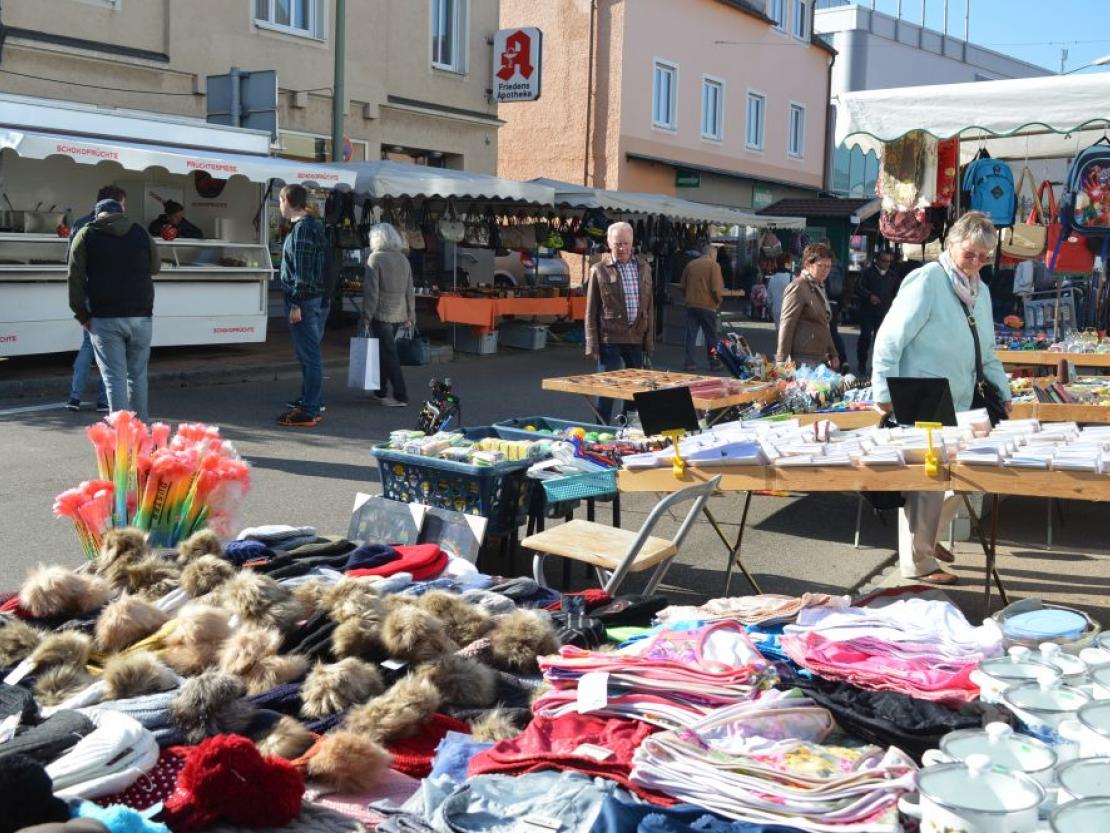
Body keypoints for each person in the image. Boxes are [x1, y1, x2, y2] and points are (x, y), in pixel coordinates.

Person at [871, 211, 1012, 586]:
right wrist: (884, 394)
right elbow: (889, 340)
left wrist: (1005, 391)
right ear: (950, 244)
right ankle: (918, 562)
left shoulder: (979, 290)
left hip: (963, 397)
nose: (977, 263)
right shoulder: (927, 280)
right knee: (927, 483)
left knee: (966, 476)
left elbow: (989, 350)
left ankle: (926, 539)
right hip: (921, 392)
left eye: (985, 256)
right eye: (971, 254)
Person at [67, 198, 160, 421]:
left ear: (97, 214)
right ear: (121, 212)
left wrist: (81, 314)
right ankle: (142, 436)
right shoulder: (140, 232)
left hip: (104, 316)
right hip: (140, 315)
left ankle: (123, 440)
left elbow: (75, 279)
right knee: (137, 376)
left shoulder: (86, 234)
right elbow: (155, 267)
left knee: (114, 378)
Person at [584, 221, 654, 424]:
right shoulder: (598, 270)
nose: (622, 248)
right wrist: (592, 343)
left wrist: (649, 342)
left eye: (625, 243)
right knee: (608, 388)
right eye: (617, 244)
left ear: (632, 243)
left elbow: (649, 307)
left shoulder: (644, 268)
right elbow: (591, 310)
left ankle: (626, 429)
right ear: (608, 243)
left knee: (633, 390)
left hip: (636, 337)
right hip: (610, 338)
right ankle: (602, 430)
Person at [65, 185, 124, 412]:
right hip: (108, 294)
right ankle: (102, 399)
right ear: (114, 204)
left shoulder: (80, 223)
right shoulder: (115, 226)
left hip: (86, 292)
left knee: (88, 344)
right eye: (122, 204)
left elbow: (69, 261)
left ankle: (75, 397)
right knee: (107, 346)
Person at [276, 184, 328, 428]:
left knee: (309, 356)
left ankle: (310, 408)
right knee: (308, 354)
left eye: (279, 201)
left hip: (304, 300)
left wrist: (296, 302)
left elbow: (303, 271)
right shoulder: (310, 226)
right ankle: (309, 400)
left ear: (287, 200)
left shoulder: (303, 229)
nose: (279, 206)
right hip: (310, 298)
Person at [362, 222, 415, 407]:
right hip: (399, 311)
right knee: (386, 351)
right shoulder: (403, 259)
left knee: (388, 353)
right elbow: (410, 290)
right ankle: (380, 390)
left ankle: (401, 395)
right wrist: (411, 315)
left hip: (381, 312)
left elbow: (371, 293)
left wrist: (365, 318)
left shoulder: (375, 259)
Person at [775, 242, 839, 369]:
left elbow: (824, 323)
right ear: (807, 264)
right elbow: (787, 324)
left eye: (828, 266)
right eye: (821, 266)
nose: (825, 270)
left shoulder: (818, 285)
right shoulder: (798, 286)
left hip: (818, 357)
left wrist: (833, 352)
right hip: (802, 359)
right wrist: (782, 360)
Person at [680, 243, 725, 371]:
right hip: (708, 306)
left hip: (691, 305)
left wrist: (688, 297)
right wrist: (718, 302)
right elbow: (716, 289)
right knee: (711, 337)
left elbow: (682, 285)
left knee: (690, 336)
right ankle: (714, 363)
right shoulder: (714, 266)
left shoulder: (691, 265)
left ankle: (689, 363)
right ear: (711, 254)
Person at [854, 251, 898, 375]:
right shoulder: (867, 273)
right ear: (877, 260)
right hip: (867, 311)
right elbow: (858, 287)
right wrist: (869, 296)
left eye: (889, 261)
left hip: (884, 313)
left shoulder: (892, 276)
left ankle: (876, 366)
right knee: (865, 337)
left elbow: (897, 293)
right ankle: (861, 363)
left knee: (881, 341)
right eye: (884, 261)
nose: (887, 264)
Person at [822, 243, 850, 372]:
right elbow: (845, 284)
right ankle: (843, 360)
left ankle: (829, 361)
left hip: (824, 301)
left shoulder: (822, 264)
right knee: (834, 332)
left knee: (823, 332)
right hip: (836, 303)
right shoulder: (838, 264)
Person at [767, 252, 794, 328]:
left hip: (776, 311)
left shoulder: (772, 279)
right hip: (789, 310)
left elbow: (769, 299)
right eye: (790, 262)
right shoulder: (793, 278)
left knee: (780, 334)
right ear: (787, 263)